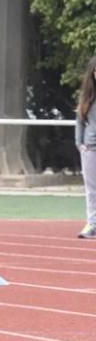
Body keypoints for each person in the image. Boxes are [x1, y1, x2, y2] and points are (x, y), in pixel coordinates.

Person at [75, 55, 96, 239]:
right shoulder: (87, 97)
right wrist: (79, 142)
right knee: (91, 189)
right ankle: (92, 223)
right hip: (90, 148)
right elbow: (80, 121)